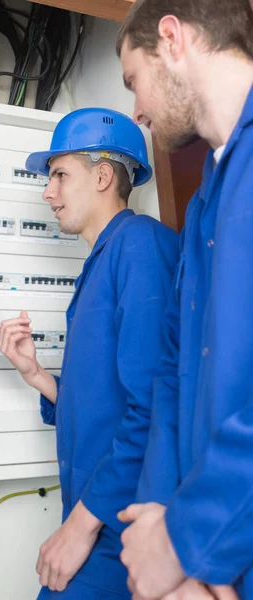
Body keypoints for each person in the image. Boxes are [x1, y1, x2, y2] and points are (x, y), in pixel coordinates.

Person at [0, 107, 179, 600]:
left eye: (60, 175)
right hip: (99, 516)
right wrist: (38, 376)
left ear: (104, 175)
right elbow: (105, 401)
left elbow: (155, 403)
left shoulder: (140, 247)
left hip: (122, 525)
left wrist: (81, 527)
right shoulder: (105, 260)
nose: (48, 192)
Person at [116, 1, 253, 599]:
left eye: (132, 80)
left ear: (172, 39)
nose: (136, 108)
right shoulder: (202, 206)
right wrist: (157, 526)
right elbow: (174, 374)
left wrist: (184, 540)